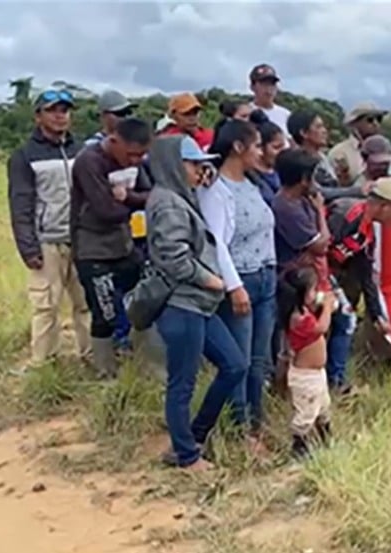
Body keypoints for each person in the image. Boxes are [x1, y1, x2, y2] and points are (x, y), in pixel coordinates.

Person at [145, 135, 247, 472]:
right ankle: (187, 455)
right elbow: (174, 259)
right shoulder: (168, 203)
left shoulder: (178, 196)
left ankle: (194, 435)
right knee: (182, 383)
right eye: (192, 163)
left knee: (235, 364)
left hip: (199, 304)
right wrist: (213, 280)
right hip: (182, 303)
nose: (199, 169)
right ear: (175, 164)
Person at [197, 119, 276, 439]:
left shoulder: (253, 183)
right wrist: (235, 286)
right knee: (240, 363)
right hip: (241, 281)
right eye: (256, 145)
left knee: (258, 361)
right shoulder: (215, 190)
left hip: (265, 277)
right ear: (238, 147)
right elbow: (217, 243)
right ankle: (240, 428)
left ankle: (256, 423)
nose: (260, 151)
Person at [7, 88, 90, 370]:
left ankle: (90, 357)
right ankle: (44, 365)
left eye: (64, 110)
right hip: (46, 242)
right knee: (46, 306)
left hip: (81, 239)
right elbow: (21, 204)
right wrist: (28, 247)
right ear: (38, 116)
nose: (60, 115)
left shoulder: (81, 150)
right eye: (53, 110)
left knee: (86, 303)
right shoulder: (25, 156)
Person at [70, 118, 153, 378]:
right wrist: (134, 204)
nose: (136, 160)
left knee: (142, 305)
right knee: (104, 313)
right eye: (131, 154)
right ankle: (105, 372)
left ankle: (146, 364)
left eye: (142, 155)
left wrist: (128, 197)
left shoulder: (135, 162)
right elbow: (105, 210)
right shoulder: (89, 161)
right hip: (93, 250)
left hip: (125, 246)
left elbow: (153, 195)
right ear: (114, 141)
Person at [273, 149, 358, 394]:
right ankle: (322, 381)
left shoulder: (298, 201)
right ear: (302, 178)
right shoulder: (289, 208)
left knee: (340, 319)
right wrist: (321, 213)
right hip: (302, 279)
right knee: (306, 332)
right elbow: (321, 245)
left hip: (314, 274)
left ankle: (330, 378)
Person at [327, 177, 391, 343]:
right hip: (311, 278)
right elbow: (317, 251)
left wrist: (377, 316)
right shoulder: (346, 215)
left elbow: (366, 276)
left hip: (333, 278)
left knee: (344, 319)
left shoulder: (367, 234)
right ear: (384, 206)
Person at [276, 266, 335, 458]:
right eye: (312, 290)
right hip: (305, 377)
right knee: (306, 413)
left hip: (317, 374)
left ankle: (326, 438)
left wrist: (319, 303)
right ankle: (299, 446)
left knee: (323, 407)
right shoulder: (298, 319)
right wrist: (327, 307)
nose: (315, 293)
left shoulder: (303, 311)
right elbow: (321, 328)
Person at [286, 110, 365, 201]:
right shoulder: (299, 162)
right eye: (318, 127)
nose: (324, 131)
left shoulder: (321, 156)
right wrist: (357, 191)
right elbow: (318, 192)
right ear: (303, 133)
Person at [328, 102, 388, 186]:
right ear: (354, 123)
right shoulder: (339, 152)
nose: (375, 124)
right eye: (370, 120)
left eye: (379, 119)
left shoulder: (385, 150)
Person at [248, 112, 287, 205]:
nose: (283, 151)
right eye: (276, 147)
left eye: (283, 146)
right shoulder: (250, 176)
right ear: (260, 148)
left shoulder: (283, 170)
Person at [249, 63, 291, 137]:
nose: (269, 89)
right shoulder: (246, 113)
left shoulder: (286, 115)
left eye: (272, 84)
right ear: (252, 87)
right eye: (264, 84)